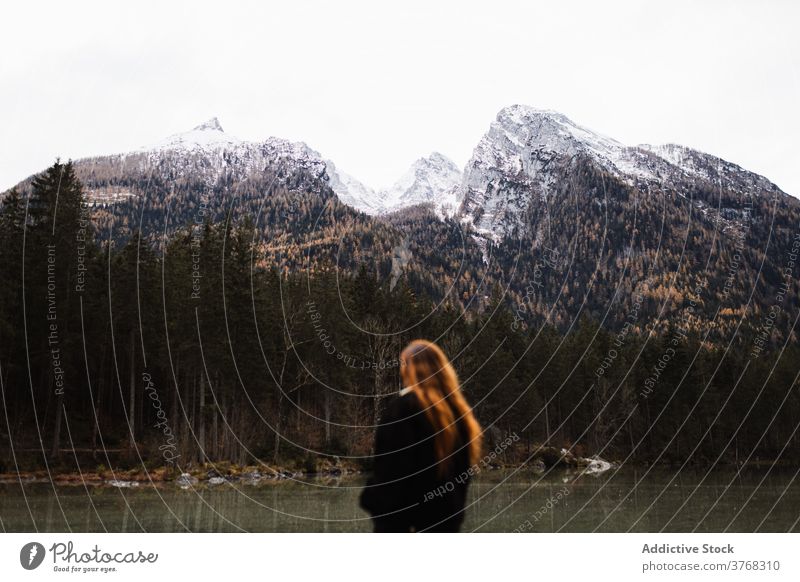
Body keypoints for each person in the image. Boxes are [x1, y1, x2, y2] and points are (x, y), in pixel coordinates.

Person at [359, 339, 483, 532]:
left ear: (410, 370)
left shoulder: (404, 409)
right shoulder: (462, 417)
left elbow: (391, 480)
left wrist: (368, 497)